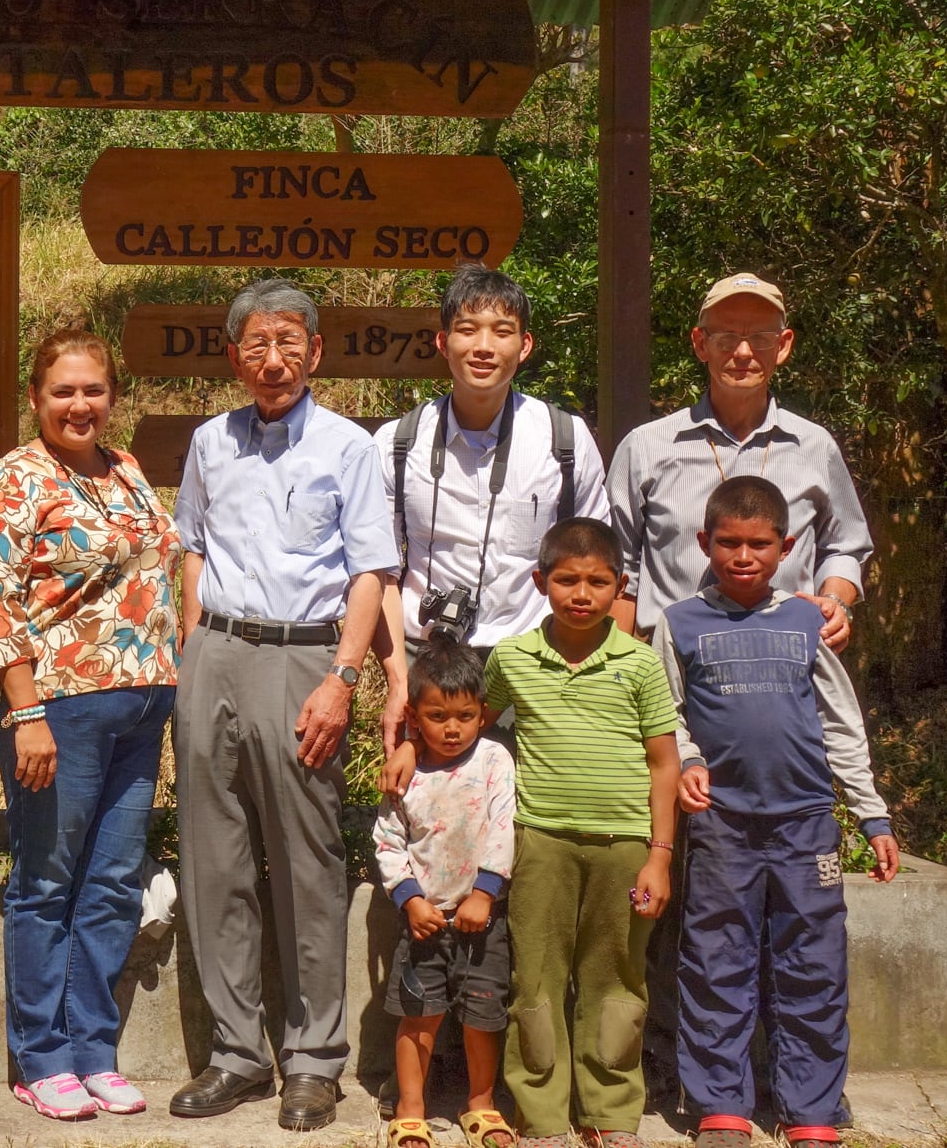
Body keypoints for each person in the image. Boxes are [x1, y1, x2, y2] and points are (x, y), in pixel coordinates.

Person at [169, 278, 398, 1133]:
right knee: (214, 856)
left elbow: (371, 569)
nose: (274, 359)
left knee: (307, 864)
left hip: (306, 656)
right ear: (234, 356)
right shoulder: (208, 442)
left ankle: (313, 1060)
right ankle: (235, 1053)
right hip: (216, 655)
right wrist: (194, 646)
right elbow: (191, 544)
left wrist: (343, 677)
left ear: (316, 351)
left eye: (289, 342)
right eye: (257, 344)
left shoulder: (348, 447)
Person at [653, 477, 901, 1148]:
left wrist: (872, 815)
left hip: (805, 824)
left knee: (813, 964)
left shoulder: (806, 621)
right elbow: (664, 714)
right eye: (727, 541)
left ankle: (811, 1107)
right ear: (704, 542)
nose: (742, 555)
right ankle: (720, 1105)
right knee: (715, 961)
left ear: (786, 547)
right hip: (722, 828)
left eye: (758, 543)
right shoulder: (677, 623)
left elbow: (842, 724)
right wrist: (691, 759)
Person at [0, 328, 180, 1121]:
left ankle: (94, 1045)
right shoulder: (13, 481)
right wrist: (26, 712)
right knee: (48, 881)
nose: (80, 404)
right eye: (64, 391)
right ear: (36, 397)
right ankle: (41, 1054)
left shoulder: (125, 468)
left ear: (112, 395)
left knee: (112, 883)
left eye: (94, 389)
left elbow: (159, 572)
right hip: (56, 709)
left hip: (142, 704)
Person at [483, 518, 679, 1148]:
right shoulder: (512, 659)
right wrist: (410, 750)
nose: (581, 593)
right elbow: (468, 719)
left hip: (625, 848)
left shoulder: (640, 663)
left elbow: (664, 763)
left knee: (617, 979)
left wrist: (659, 857)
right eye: (567, 579)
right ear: (540, 581)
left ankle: (610, 1113)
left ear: (620, 587)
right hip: (540, 843)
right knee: (535, 978)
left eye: (598, 582)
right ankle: (541, 1116)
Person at [371, 265, 610, 761]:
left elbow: (597, 566)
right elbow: (381, 573)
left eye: (502, 332)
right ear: (442, 342)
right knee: (425, 820)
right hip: (427, 661)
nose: (484, 346)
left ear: (524, 346)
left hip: (536, 662)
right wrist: (398, 682)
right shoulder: (398, 444)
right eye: (467, 329)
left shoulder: (563, 440)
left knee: (532, 819)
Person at [607, 274, 872, 650]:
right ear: (701, 344)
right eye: (727, 338)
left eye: (761, 339)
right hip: (672, 668)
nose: (744, 352)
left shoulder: (815, 446)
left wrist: (836, 603)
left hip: (787, 663)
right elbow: (618, 567)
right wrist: (622, 669)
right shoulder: (647, 447)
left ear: (783, 346)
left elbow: (845, 546)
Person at [371, 637, 517, 1148]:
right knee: (418, 1016)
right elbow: (388, 842)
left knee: (483, 1013)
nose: (452, 729)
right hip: (423, 922)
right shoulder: (403, 775)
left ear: (482, 713)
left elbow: (504, 827)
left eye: (465, 715)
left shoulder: (495, 760)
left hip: (484, 918)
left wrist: (485, 893)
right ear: (413, 716)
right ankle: (411, 1109)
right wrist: (410, 899)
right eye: (437, 716)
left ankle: (480, 1103)